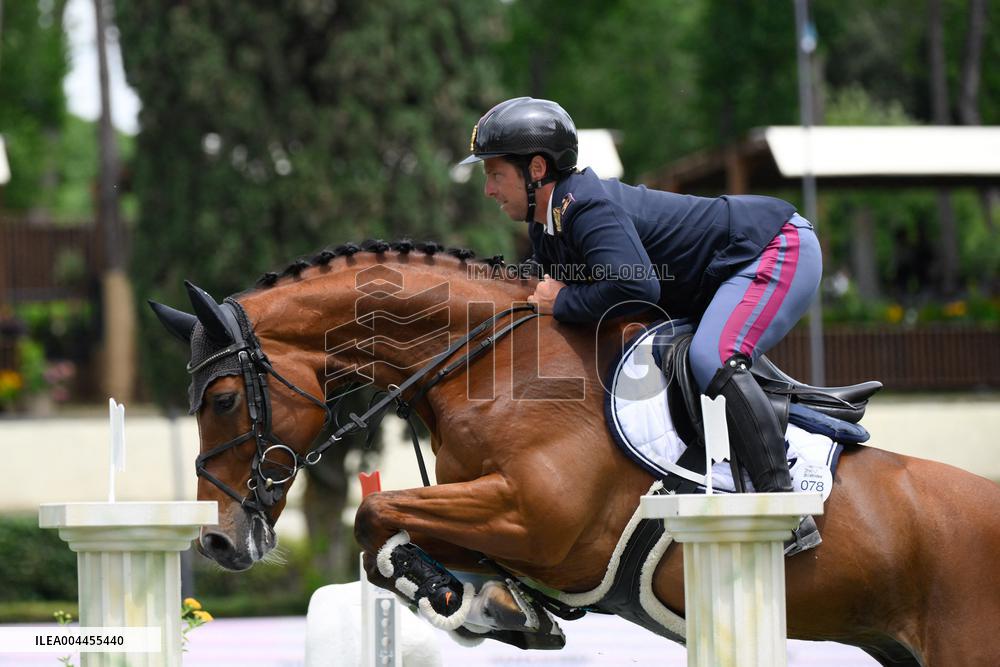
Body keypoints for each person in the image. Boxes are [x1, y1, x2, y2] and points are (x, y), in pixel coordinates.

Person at [459, 97, 822, 552]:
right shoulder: (547, 226)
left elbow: (637, 290)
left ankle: (786, 508)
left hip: (776, 247)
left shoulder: (585, 207)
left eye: (494, 174)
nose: (489, 189)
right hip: (728, 269)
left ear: (535, 169)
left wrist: (564, 299)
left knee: (710, 356)